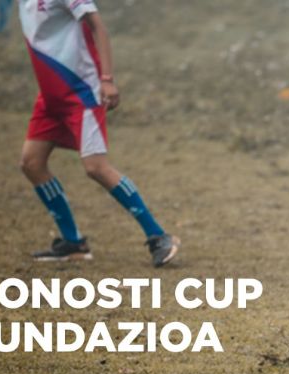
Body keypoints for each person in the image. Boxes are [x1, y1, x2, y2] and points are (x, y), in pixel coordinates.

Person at [17, 0, 179, 267]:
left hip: (82, 91)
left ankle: (159, 236)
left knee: (96, 167)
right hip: (50, 97)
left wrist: (107, 80)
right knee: (31, 163)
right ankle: (73, 243)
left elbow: (98, 27)